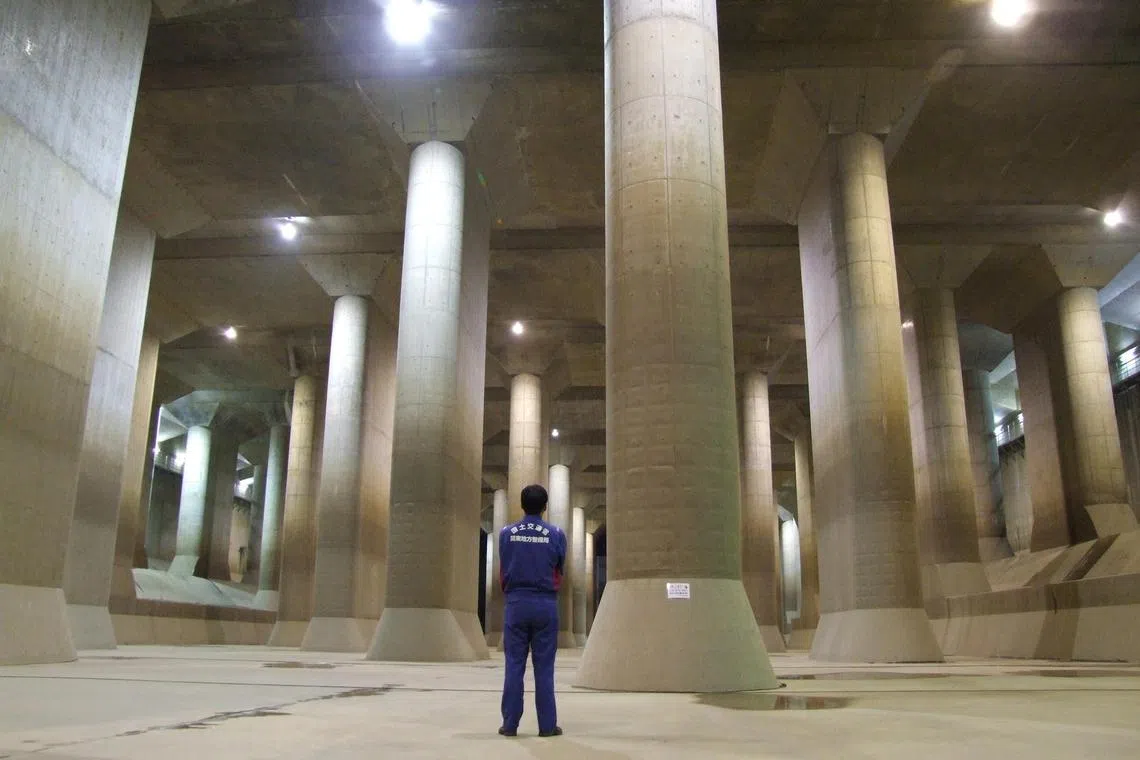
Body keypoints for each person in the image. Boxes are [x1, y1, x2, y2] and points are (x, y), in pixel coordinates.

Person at [497, 484, 566, 738]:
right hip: (545, 604)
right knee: (544, 668)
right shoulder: (556, 533)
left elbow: (503, 569)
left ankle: (510, 724)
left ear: (522, 505)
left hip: (516, 603)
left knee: (514, 665)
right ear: (545, 506)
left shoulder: (507, 533)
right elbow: (559, 568)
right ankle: (547, 726)